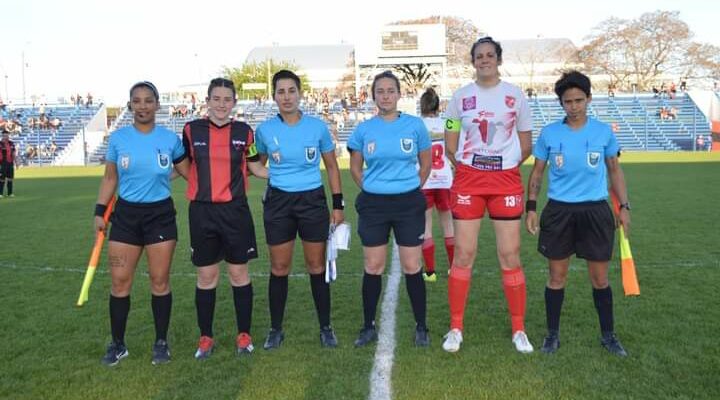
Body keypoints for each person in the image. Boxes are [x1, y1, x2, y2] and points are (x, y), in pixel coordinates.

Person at [525, 70, 630, 357]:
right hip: (559, 211)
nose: (573, 107)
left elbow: (614, 170)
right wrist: (531, 208)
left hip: (595, 211)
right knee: (556, 277)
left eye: (579, 100)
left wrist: (624, 206)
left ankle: (608, 336)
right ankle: (552, 335)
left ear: (589, 99)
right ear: (561, 103)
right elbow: (537, 173)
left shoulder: (603, 132)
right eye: (568, 101)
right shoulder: (549, 133)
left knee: (600, 279)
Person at [442, 36, 534, 353]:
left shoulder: (516, 96)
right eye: (479, 56)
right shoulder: (459, 98)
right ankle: (455, 328)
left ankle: (519, 329)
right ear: (473, 61)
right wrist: (468, 164)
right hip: (468, 180)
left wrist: (502, 165)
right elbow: (450, 137)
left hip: (505, 181)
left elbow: (526, 145)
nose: (484, 60)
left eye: (489, 55)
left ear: (498, 59)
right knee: (463, 253)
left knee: (510, 255)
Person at [95, 81, 188, 366]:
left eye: (148, 100)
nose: (143, 106)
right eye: (137, 101)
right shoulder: (118, 139)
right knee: (120, 282)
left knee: (159, 281)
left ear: (157, 104)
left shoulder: (170, 139)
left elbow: (187, 171)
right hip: (125, 217)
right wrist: (100, 211)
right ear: (130, 105)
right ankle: (118, 344)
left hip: (160, 216)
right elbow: (110, 177)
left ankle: (161, 342)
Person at [255, 70, 345, 349]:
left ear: (300, 93)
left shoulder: (317, 127)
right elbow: (256, 163)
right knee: (279, 267)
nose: (287, 97)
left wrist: (338, 204)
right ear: (274, 96)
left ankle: (326, 327)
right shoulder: (264, 130)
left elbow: (332, 167)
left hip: (312, 202)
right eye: (280, 92)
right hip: (279, 203)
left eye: (291, 91)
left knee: (316, 266)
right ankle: (275, 330)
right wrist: (272, 175)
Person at [180, 78, 268, 359]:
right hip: (202, 212)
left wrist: (290, 171)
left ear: (234, 102)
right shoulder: (191, 130)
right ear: (207, 101)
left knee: (239, 274)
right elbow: (182, 166)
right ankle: (206, 337)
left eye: (227, 99)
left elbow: (256, 167)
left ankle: (244, 335)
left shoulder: (244, 132)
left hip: (235, 212)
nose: (221, 104)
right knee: (206, 276)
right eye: (216, 99)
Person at [347, 71, 432, 347]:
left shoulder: (415, 125)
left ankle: (421, 327)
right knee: (373, 265)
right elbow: (355, 168)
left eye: (390, 91)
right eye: (380, 91)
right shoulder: (363, 129)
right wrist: (373, 188)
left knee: (412, 265)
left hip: (408, 204)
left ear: (399, 94)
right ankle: (368, 326)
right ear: (373, 96)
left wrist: (409, 187)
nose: (385, 96)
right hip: (374, 205)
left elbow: (426, 164)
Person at [418, 88, 454, 282]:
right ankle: (453, 268)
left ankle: (430, 272)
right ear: (437, 106)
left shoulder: (417, 124)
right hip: (445, 179)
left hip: (425, 179)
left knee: (426, 226)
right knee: (448, 225)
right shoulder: (447, 123)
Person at [0, 132, 17, 198]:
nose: (6, 137)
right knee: (2, 179)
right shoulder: (0, 144)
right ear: (2, 136)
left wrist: (16, 162)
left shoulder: (11, 143)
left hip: (10, 163)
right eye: (5, 136)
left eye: (7, 136)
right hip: (2, 163)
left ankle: (10, 193)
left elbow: (13, 153)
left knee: (10, 178)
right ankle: (0, 193)